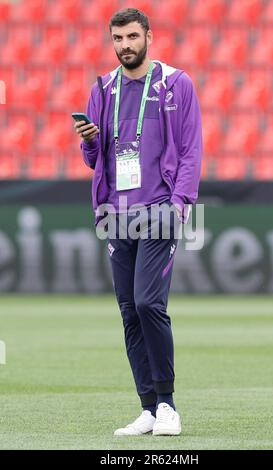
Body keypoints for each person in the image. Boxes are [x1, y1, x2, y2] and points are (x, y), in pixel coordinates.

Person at [75, 8, 202, 436]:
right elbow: (95, 161)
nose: (125, 45)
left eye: (132, 36)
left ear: (148, 36)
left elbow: (190, 148)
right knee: (129, 311)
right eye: (117, 38)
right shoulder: (103, 88)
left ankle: (168, 405)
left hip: (160, 208)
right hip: (116, 213)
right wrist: (89, 143)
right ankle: (148, 408)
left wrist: (181, 203)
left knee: (149, 303)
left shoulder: (175, 84)